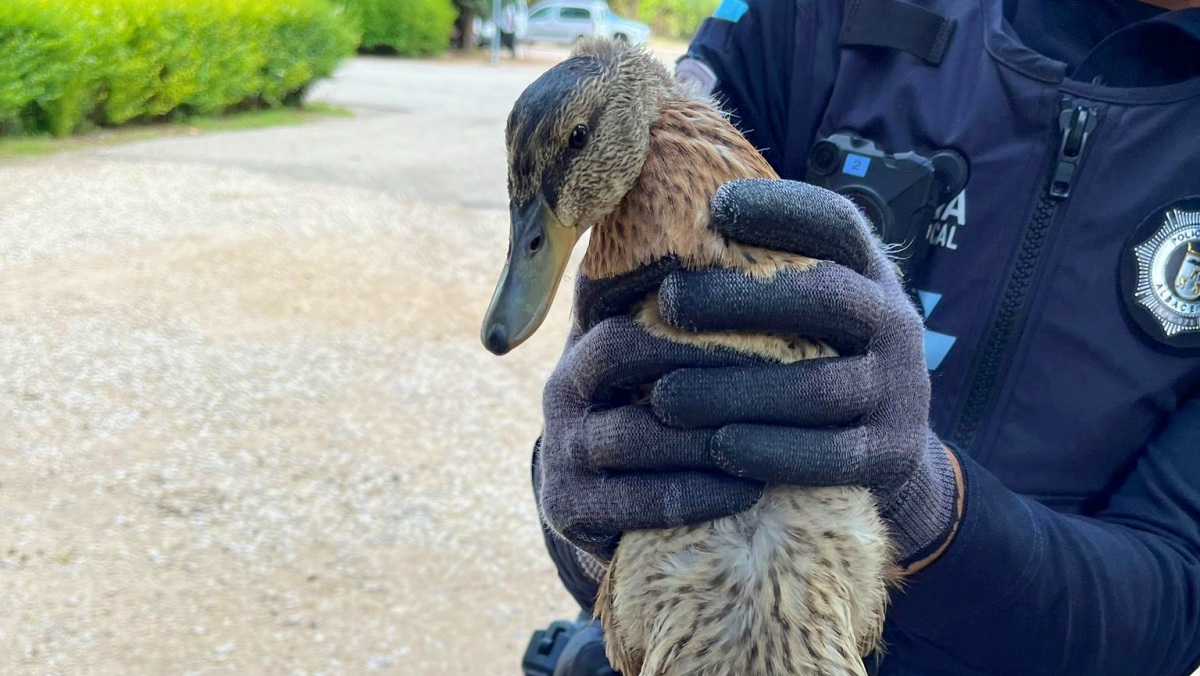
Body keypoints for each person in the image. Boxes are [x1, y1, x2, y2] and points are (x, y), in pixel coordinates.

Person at [527, 0, 1200, 674]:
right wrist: (594, 504)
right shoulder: (803, 16)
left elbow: (1174, 609)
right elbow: (602, 387)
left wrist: (923, 499)